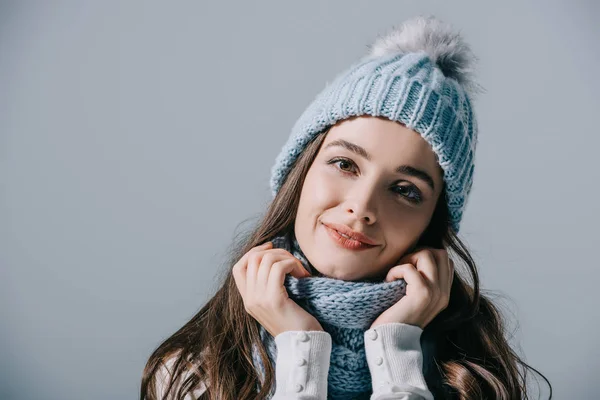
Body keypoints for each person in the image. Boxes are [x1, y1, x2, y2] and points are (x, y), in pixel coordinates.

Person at [140, 15, 552, 400]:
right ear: (299, 171)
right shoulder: (190, 374)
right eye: (344, 164)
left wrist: (397, 346)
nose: (362, 207)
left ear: (434, 221)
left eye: (405, 190)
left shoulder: (473, 376)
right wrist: (301, 343)